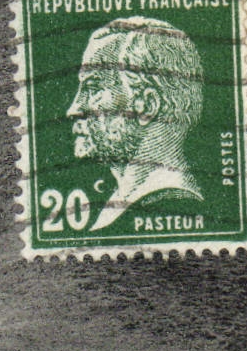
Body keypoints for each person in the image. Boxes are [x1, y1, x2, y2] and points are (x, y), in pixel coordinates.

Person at [65, 15, 206, 232]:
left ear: (146, 106)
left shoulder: (172, 204)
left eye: (93, 89)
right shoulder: (120, 203)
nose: (74, 109)